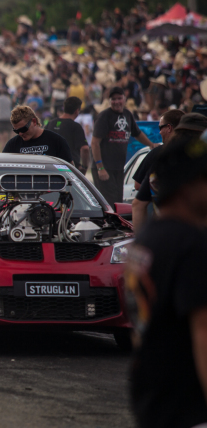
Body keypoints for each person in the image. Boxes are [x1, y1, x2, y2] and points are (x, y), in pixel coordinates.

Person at [125, 136, 207, 428]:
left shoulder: (144, 242)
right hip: (188, 405)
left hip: (151, 396)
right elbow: (203, 331)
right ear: (187, 187)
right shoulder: (192, 244)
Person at [132, 113, 207, 231]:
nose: (159, 132)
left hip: (163, 235)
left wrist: (140, 241)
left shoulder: (162, 159)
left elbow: (138, 204)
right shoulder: (199, 163)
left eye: (160, 127)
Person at [91, 87, 156, 207]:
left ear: (124, 99)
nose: (116, 102)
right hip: (104, 169)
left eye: (119, 98)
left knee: (118, 203)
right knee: (109, 204)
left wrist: (151, 144)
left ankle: (116, 226)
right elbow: (95, 143)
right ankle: (108, 225)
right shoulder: (104, 116)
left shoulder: (127, 115)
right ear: (109, 101)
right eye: (113, 99)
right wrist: (100, 168)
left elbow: (138, 134)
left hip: (118, 168)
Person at [132, 109, 184, 190]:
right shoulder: (197, 152)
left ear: (169, 128)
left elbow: (138, 185)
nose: (159, 132)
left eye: (160, 127)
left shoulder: (157, 153)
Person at [2, 105, 73, 162]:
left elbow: (69, 170)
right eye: (16, 131)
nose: (20, 133)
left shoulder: (56, 141)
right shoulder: (12, 145)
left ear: (34, 121)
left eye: (23, 129)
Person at [45, 97, 89, 172]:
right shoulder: (76, 127)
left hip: (50, 165)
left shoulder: (50, 123)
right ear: (77, 111)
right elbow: (85, 149)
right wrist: (84, 167)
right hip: (69, 167)